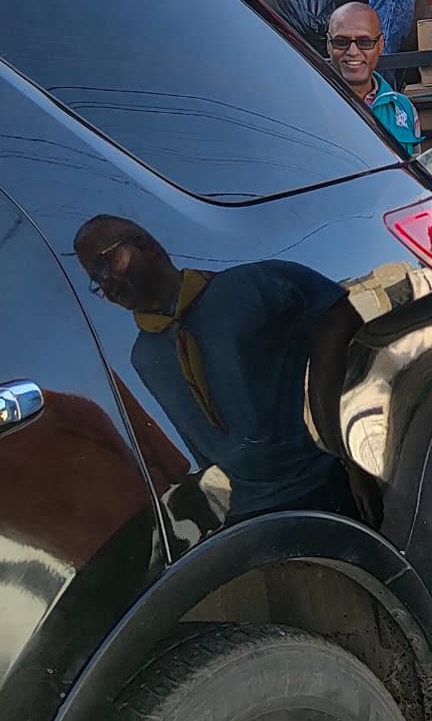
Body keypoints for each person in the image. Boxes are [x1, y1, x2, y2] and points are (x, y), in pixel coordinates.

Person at [72, 216, 349, 521]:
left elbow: (338, 316)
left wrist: (335, 433)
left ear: (145, 245)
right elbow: (196, 444)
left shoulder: (251, 285)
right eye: (96, 281)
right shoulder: (143, 357)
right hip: (251, 512)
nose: (106, 284)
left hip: (324, 481)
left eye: (106, 265)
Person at [323, 2, 421, 151]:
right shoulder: (312, 105)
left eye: (365, 42)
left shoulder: (402, 108)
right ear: (328, 45)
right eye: (341, 42)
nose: (353, 51)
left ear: (380, 45)